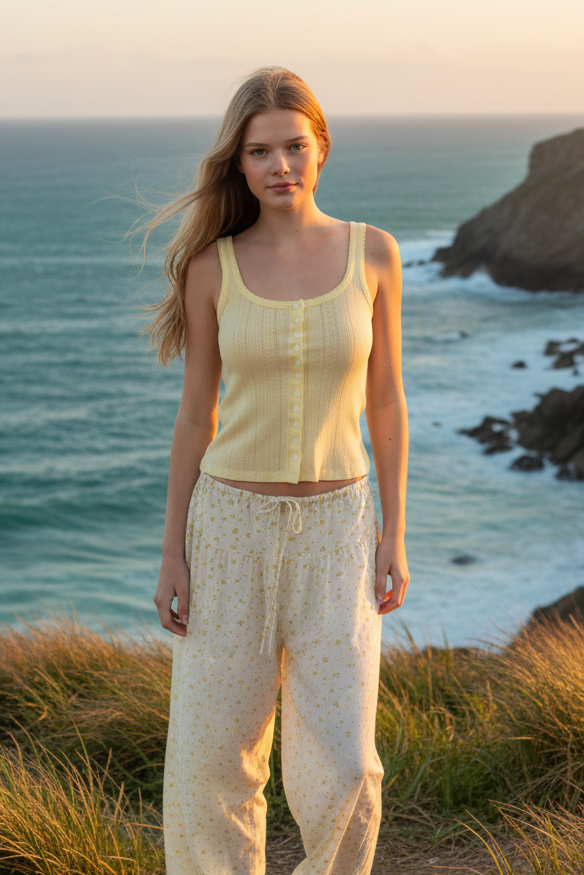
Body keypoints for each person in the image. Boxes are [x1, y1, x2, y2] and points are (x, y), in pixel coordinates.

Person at [146, 66, 409, 875]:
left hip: (337, 531)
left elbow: (388, 406)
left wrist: (393, 533)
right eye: (260, 151)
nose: (281, 165)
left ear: (321, 148)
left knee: (347, 766)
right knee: (211, 765)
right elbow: (197, 415)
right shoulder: (210, 270)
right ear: (240, 163)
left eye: (295, 145)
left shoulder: (374, 253)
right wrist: (173, 552)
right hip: (227, 531)